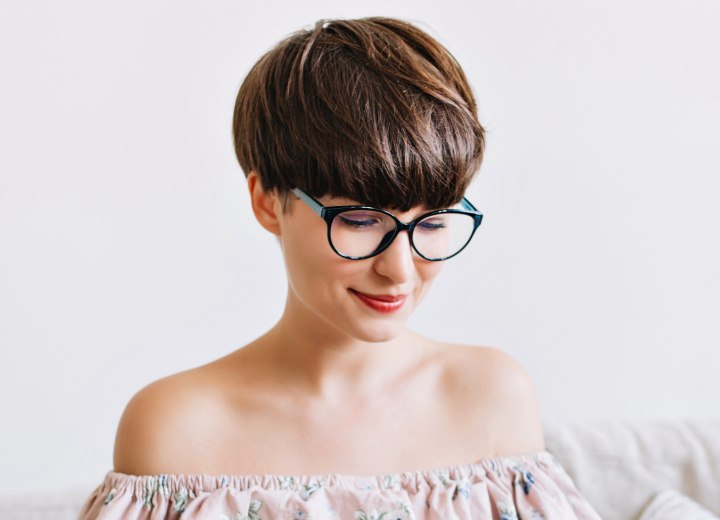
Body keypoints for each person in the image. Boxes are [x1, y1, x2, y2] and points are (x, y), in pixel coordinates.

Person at [78, 17, 601, 519]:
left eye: (434, 222)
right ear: (266, 201)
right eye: (358, 220)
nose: (399, 269)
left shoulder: (491, 396)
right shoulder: (177, 429)